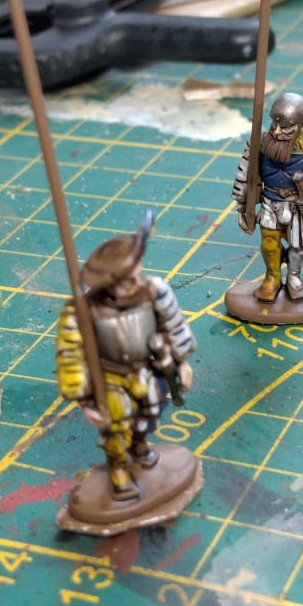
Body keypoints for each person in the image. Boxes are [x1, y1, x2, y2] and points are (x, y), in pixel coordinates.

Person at [55, 211, 197, 500]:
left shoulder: (154, 292)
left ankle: (139, 446)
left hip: (148, 369)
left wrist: (181, 362)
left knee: (152, 410)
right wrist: (84, 400)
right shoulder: (82, 311)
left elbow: (173, 326)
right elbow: (70, 355)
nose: (137, 272)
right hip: (110, 378)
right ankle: (118, 468)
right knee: (116, 423)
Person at [231, 92, 303, 304]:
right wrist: (243, 207)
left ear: (300, 124)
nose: (277, 132)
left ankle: (293, 276)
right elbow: (246, 173)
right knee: (269, 243)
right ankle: (272, 277)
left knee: (299, 246)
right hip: (270, 202)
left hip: (299, 206)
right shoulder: (260, 142)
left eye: (285, 127)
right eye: (275, 125)